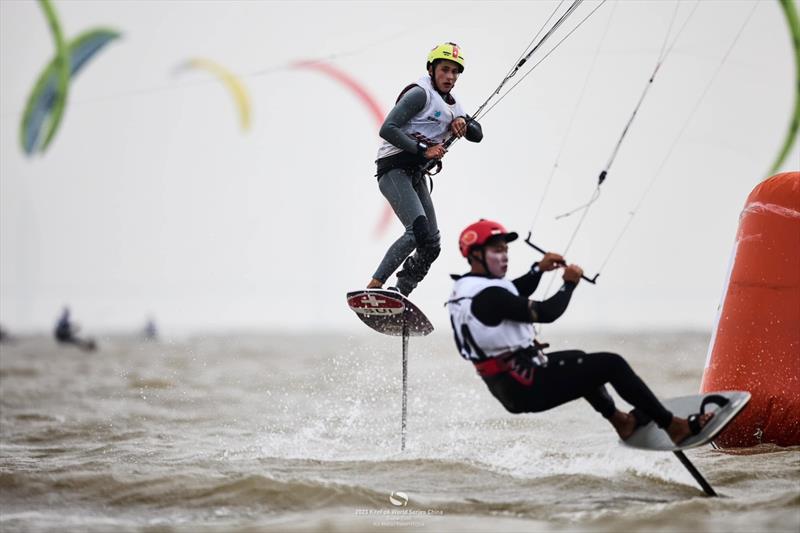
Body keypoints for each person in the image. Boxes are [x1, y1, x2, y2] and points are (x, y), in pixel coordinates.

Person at [446, 219, 713, 444]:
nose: (504, 255)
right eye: (496, 249)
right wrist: (568, 285)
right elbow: (547, 312)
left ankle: (622, 422)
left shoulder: (469, 289)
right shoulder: (490, 295)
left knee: (580, 360)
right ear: (475, 255)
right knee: (612, 364)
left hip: (511, 384)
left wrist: (538, 269)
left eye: (506, 249)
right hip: (524, 384)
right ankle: (674, 427)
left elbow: (513, 292)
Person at [367, 42, 483, 297]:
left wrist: (463, 121)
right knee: (416, 232)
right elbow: (387, 128)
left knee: (431, 244)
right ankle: (374, 287)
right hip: (393, 169)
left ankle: (401, 293)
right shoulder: (421, 94)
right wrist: (423, 150)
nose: (450, 77)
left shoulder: (454, 105)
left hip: (415, 175)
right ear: (432, 69)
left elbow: (477, 135)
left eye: (455, 72)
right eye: (445, 70)